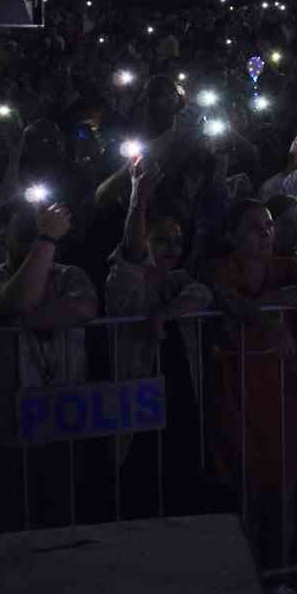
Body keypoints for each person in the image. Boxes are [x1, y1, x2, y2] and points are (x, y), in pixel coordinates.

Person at [0, 199, 99, 531]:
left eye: (40, 228)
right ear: (0, 236)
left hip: (63, 422)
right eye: (26, 231)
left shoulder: (71, 274)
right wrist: (47, 241)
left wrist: (21, 314)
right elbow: (19, 301)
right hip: (8, 428)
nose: (36, 231)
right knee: (12, 525)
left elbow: (83, 310)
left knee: (64, 522)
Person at [104, 155, 212, 518]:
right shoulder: (123, 279)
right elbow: (132, 257)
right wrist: (138, 200)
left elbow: (202, 294)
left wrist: (164, 314)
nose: (173, 249)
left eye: (177, 242)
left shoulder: (175, 283)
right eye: (162, 240)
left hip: (179, 402)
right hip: (137, 404)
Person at [206, 199, 297, 569]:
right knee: (243, 484)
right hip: (236, 389)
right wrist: (266, 315)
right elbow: (226, 299)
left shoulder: (286, 266)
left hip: (279, 391)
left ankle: (280, 573)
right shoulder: (222, 268)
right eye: (254, 227)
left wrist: (261, 306)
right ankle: (245, 574)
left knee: (282, 485)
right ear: (233, 235)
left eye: (268, 225)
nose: (265, 234)